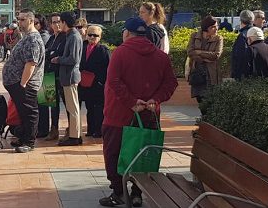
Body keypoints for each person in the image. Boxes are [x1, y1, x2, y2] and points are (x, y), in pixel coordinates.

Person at [99, 17, 178, 207]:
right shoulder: (160, 56)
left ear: (126, 33)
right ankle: (136, 193)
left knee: (114, 153)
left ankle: (118, 192)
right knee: (142, 155)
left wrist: (132, 102)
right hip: (149, 114)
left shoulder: (120, 52)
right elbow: (171, 83)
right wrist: (155, 99)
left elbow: (114, 81)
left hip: (119, 114)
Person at [2, 9, 45, 153]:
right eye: (18, 19)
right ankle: (24, 138)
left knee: (29, 112)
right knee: (23, 113)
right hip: (18, 83)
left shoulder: (33, 39)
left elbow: (31, 63)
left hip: (26, 85)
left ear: (31, 21)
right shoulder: (27, 37)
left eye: (22, 20)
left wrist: (23, 84)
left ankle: (29, 142)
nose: (19, 23)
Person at [52, 11, 83, 146]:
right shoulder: (71, 35)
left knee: (73, 108)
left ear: (64, 22)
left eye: (60, 22)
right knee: (72, 108)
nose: (59, 24)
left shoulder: (74, 36)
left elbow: (73, 58)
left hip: (70, 76)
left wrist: (59, 59)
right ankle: (74, 134)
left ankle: (75, 136)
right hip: (67, 76)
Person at [79, 25, 110, 138]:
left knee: (98, 108)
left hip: (98, 84)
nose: (92, 37)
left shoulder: (103, 50)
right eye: (90, 34)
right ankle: (90, 129)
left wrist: (101, 82)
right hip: (85, 84)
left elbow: (108, 68)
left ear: (100, 37)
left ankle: (98, 130)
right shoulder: (82, 47)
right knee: (89, 108)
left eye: (95, 35)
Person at [186, 16, 224, 103]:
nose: (216, 29)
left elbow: (216, 55)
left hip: (211, 73)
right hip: (197, 72)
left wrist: (199, 52)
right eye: (213, 27)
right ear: (206, 28)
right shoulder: (194, 36)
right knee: (200, 99)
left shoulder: (219, 38)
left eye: (217, 26)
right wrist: (203, 59)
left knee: (210, 101)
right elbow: (190, 52)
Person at [41, 13, 65, 141]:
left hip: (59, 76)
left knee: (62, 105)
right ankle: (52, 129)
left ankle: (64, 129)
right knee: (49, 104)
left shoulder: (65, 38)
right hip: (48, 75)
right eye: (54, 22)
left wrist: (50, 54)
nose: (56, 24)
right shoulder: (51, 38)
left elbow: (55, 54)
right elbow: (46, 53)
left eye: (58, 22)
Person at [231, 10, 256, 80]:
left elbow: (240, 56)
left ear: (241, 20)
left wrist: (236, 74)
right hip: (255, 71)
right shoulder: (257, 33)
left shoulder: (242, 35)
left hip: (244, 74)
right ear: (252, 20)